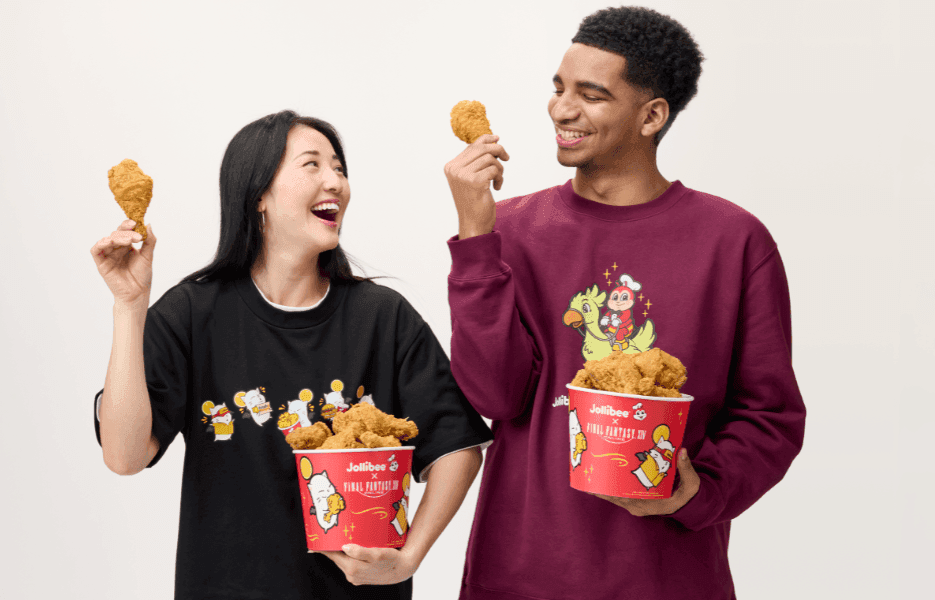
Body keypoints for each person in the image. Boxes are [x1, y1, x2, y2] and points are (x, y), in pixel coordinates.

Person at [443, 7, 805, 600]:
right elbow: (494, 395)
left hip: (668, 578)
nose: (562, 109)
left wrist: (697, 491)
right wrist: (476, 241)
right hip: (518, 575)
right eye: (558, 89)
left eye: (592, 94)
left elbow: (771, 417)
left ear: (651, 115)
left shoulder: (734, 241)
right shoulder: (506, 229)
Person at [91, 110, 493, 600]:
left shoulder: (382, 317)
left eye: (340, 168)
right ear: (259, 193)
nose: (336, 183)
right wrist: (130, 306)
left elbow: (455, 447)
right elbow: (125, 455)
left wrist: (410, 557)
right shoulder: (195, 311)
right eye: (312, 165)